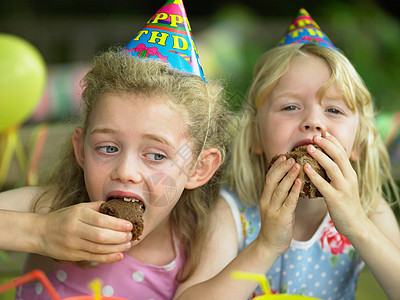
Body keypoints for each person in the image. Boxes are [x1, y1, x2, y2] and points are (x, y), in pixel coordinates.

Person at [0, 1, 241, 299]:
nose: (126, 171)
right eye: (108, 147)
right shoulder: (56, 206)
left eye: (156, 155)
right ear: (81, 150)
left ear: (199, 168)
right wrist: (41, 232)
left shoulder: (201, 234)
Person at [219, 8, 400, 300]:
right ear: (255, 137)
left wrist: (357, 227)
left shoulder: (368, 207)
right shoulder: (231, 211)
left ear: (356, 145)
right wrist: (265, 244)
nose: (313, 121)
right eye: (290, 107)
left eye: (334, 110)